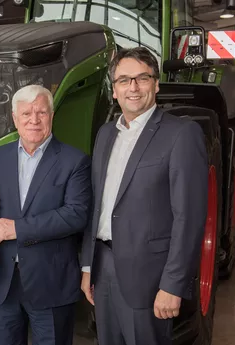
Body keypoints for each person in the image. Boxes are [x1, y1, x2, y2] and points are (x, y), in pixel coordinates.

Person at [80, 47, 208, 345]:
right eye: (124, 80)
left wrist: (173, 285)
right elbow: (96, 205)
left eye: (142, 78)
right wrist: (88, 266)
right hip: (104, 268)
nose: (133, 87)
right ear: (114, 90)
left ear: (156, 84)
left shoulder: (180, 134)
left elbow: (188, 217)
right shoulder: (105, 134)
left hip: (150, 279)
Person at [0, 84, 92, 345]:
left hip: (50, 283)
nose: (34, 120)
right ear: (15, 118)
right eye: (26, 113)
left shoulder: (75, 161)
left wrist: (17, 228)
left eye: (41, 112)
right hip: (3, 283)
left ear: (51, 116)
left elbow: (76, 214)